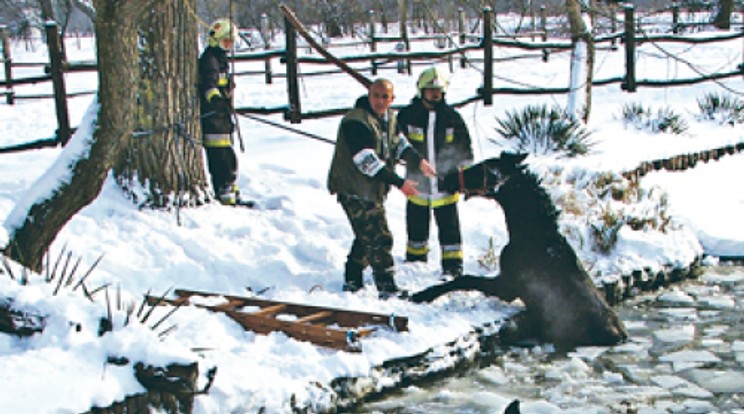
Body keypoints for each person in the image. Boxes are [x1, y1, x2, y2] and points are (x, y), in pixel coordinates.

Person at [328, 79, 436, 298]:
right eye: (376, 95)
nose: (380, 101)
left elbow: (399, 144)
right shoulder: (356, 122)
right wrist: (400, 184)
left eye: (384, 97)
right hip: (353, 188)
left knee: (365, 234)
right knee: (379, 237)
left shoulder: (389, 119)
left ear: (392, 99)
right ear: (369, 95)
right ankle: (387, 287)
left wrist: (419, 162)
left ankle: (352, 279)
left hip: (371, 189)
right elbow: (366, 162)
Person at [396, 67, 474, 278]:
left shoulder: (452, 118)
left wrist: (463, 180)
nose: (435, 94)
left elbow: (465, 150)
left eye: (438, 90)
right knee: (416, 222)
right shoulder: (407, 116)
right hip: (417, 181)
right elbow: (395, 143)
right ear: (421, 90)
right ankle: (415, 260)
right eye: (430, 89)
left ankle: (452, 265)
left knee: (449, 225)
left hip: (445, 182)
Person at [198, 19, 240, 205]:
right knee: (221, 157)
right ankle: (224, 193)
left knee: (228, 154)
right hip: (213, 118)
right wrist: (217, 100)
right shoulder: (211, 59)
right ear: (216, 40)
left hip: (222, 117)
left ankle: (230, 189)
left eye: (231, 42)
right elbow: (209, 85)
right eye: (226, 42)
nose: (229, 46)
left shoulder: (220, 58)